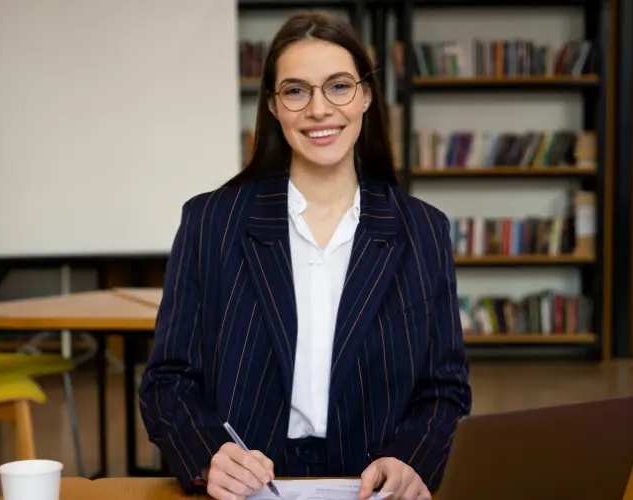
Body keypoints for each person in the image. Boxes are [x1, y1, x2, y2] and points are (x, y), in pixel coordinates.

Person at [138, 10, 471, 500]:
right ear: (274, 106)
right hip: (250, 489)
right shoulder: (211, 222)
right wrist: (209, 453)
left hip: (371, 487)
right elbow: (167, 380)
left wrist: (411, 460)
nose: (319, 109)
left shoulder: (422, 229)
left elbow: (444, 389)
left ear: (366, 96)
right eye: (296, 91)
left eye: (338, 86)